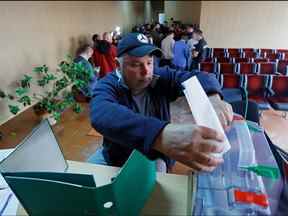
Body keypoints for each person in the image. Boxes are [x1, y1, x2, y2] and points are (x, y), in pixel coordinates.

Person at [88, 33, 233, 173]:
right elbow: (101, 113)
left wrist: (212, 97)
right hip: (117, 157)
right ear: (118, 66)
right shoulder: (107, 84)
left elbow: (200, 77)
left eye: (149, 62)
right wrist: (159, 135)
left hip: (156, 155)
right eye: (135, 64)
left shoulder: (158, 76)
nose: (146, 71)